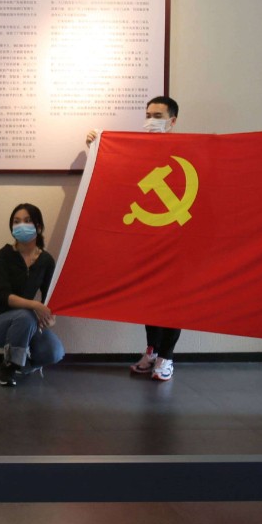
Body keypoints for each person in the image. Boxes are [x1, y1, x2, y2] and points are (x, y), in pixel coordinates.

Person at [87, 95, 183, 381]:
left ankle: (166, 357)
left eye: (158, 116)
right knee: (149, 299)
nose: (151, 121)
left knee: (174, 303)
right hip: (147, 240)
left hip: (177, 243)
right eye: (148, 115)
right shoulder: (139, 150)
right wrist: (97, 146)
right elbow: (115, 171)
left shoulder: (186, 150)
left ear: (172, 121)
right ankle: (152, 351)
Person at [0, 203, 64, 386]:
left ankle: (22, 366)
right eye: (16, 222)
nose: (21, 225)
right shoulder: (2, 256)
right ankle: (8, 369)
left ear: (38, 227)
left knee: (55, 352)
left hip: (26, 323)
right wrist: (35, 305)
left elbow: (50, 298)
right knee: (26, 315)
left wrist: (51, 318)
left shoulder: (46, 261)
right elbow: (4, 296)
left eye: (27, 221)